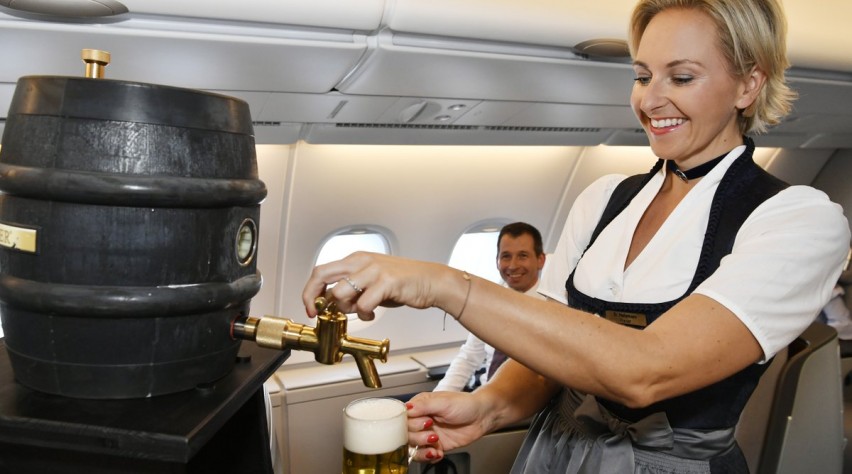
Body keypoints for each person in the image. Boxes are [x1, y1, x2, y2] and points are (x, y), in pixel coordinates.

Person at [302, 0, 851, 472]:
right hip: (556, 456)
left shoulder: (796, 219)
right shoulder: (604, 199)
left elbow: (645, 371)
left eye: (681, 77)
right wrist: (490, 405)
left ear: (748, 84)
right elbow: (548, 355)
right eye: (642, 75)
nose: (650, 100)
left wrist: (447, 285)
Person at [434, 222, 547, 392]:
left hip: (530, 406)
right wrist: (438, 397)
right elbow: (469, 357)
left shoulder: (554, 308)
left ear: (540, 260)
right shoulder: (488, 302)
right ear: (497, 261)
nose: (513, 265)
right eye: (506, 256)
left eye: (523, 255)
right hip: (484, 397)